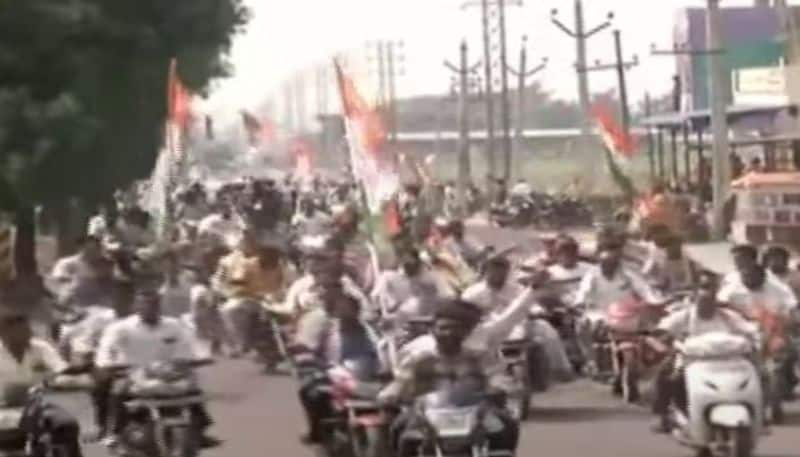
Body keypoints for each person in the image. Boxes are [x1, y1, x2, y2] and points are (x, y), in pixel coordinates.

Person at [378, 298, 522, 457]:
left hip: (476, 412)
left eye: (456, 328)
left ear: (465, 332)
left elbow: (495, 375)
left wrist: (500, 386)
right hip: (426, 415)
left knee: (507, 426)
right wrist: (390, 393)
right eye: (444, 328)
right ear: (433, 330)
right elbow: (401, 382)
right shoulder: (420, 361)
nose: (449, 333)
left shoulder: (479, 358)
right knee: (399, 430)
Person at [95, 285, 219, 448]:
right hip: (133, 375)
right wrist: (106, 365)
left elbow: (192, 346)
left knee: (194, 393)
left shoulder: (175, 326)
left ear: (159, 306)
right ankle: (113, 433)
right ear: (135, 306)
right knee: (117, 391)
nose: (149, 308)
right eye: (144, 304)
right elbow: (105, 351)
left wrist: (201, 358)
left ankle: (199, 431)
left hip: (169, 375)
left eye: (153, 304)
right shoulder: (120, 328)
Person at [651, 273, 759, 432]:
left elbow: (751, 330)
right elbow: (660, 332)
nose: (708, 295)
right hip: (692, 363)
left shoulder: (728, 317)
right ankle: (663, 415)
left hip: (730, 365)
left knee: (760, 375)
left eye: (712, 290)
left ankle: (759, 415)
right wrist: (662, 343)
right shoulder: (684, 317)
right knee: (668, 375)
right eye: (704, 288)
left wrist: (758, 339)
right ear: (695, 294)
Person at [464, 255, 573, 385]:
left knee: (546, 329)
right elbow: (464, 313)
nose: (499, 273)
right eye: (495, 269)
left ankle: (561, 369)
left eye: (502, 269)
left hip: (518, 324)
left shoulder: (515, 288)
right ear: (486, 271)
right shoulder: (472, 292)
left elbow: (529, 302)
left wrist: (538, 312)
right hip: (489, 329)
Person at [0, 302, 84, 457]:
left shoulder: (40, 347)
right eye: (22, 330)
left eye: (27, 328)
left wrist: (82, 369)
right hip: (3, 410)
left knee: (67, 425)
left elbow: (62, 370)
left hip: (35, 405)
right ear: (5, 332)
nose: (28, 333)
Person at [573, 245, 664, 374]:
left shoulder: (627, 275)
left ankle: (647, 357)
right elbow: (583, 292)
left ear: (617, 264)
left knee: (651, 327)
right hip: (600, 313)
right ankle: (592, 360)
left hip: (626, 312)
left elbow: (644, 289)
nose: (609, 267)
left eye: (612, 264)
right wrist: (579, 303)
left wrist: (655, 302)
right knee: (583, 325)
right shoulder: (592, 275)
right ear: (600, 264)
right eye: (605, 264)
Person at [212, 227, 285, 357]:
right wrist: (224, 292)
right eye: (245, 239)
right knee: (230, 310)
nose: (249, 243)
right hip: (245, 297)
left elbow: (286, 281)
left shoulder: (275, 260)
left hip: (273, 298)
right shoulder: (228, 261)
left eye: (252, 240)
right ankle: (241, 342)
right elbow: (226, 282)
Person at [372, 247, 452, 322]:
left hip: (424, 312)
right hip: (432, 311)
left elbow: (375, 295)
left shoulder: (431, 279)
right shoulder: (433, 278)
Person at [50, 235, 114, 308]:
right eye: (90, 248)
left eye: (97, 248)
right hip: (75, 304)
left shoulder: (106, 264)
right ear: (80, 247)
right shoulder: (67, 263)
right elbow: (60, 280)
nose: (94, 251)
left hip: (101, 305)